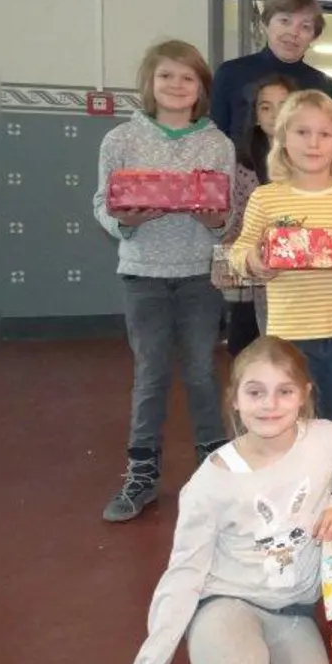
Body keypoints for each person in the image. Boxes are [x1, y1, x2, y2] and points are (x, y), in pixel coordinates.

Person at [93, 336, 332, 664]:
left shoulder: (327, 439)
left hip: (292, 613)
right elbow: (183, 574)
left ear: (305, 393)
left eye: (285, 392)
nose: (270, 405)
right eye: (255, 392)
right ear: (235, 397)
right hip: (227, 603)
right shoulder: (211, 482)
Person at [93, 40, 232, 523]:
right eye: (166, 76)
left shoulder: (218, 144)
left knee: (199, 370)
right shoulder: (120, 141)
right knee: (150, 373)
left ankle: (217, 472)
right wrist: (127, 221)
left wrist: (216, 220)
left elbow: (226, 215)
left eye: (187, 78)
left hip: (198, 274)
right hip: (143, 273)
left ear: (201, 89)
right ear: (149, 84)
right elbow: (101, 204)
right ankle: (141, 475)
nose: (176, 86)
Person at [230, 91, 332, 432]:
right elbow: (239, 254)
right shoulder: (266, 198)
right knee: (292, 424)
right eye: (302, 132)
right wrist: (254, 259)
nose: (314, 143)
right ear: (282, 139)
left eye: (325, 134)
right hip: (288, 334)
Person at [221, 75, 294, 356]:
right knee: (247, 348)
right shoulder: (242, 162)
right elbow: (234, 217)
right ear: (255, 114)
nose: (276, 114)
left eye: (284, 104)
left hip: (296, 278)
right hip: (252, 274)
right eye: (266, 107)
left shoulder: (312, 158)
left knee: (289, 354)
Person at [210, 0, 332, 140]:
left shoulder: (323, 86)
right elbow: (215, 139)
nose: (293, 32)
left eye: (305, 26)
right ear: (266, 24)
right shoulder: (230, 73)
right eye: (285, 21)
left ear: (313, 37)